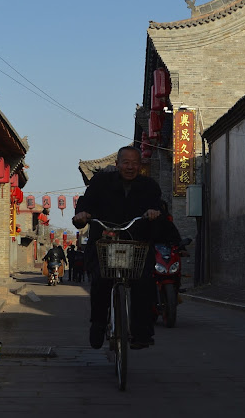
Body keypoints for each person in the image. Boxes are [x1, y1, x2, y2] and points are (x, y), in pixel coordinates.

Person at [72, 146, 161, 350]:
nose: (130, 167)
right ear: (117, 164)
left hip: (136, 242)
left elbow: (158, 207)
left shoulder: (149, 186)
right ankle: (98, 323)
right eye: (126, 162)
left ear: (140, 166)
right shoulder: (101, 182)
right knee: (101, 279)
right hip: (105, 241)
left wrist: (154, 213)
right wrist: (82, 215)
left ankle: (141, 332)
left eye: (135, 163)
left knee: (144, 280)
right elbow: (86, 203)